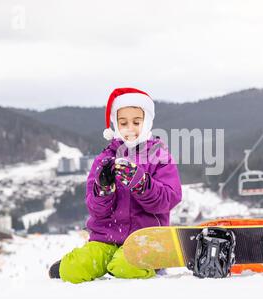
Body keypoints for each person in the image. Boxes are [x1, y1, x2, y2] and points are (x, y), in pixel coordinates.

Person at [49, 87, 182, 283]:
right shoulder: (104, 160)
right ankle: (83, 262)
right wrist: (103, 189)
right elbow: (96, 210)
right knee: (73, 270)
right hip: (106, 238)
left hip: (144, 239)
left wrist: (141, 183)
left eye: (137, 122)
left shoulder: (159, 156)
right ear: (115, 125)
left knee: (124, 267)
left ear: (148, 123)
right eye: (123, 122)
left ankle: (151, 265)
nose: (130, 128)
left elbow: (168, 200)